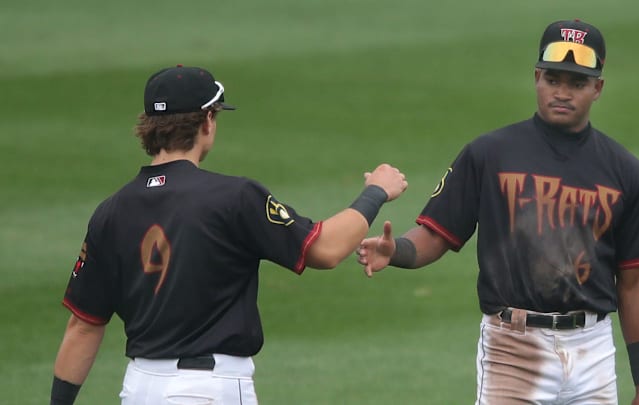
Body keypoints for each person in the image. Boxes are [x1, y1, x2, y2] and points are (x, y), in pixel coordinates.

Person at [50, 64, 408, 405]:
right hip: (206, 389)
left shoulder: (111, 212)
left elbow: (83, 327)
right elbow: (326, 249)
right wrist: (375, 192)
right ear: (207, 120)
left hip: (138, 388)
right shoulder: (233, 198)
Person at [357, 19, 639, 405]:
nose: (562, 92)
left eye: (577, 83)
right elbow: (438, 234)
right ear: (536, 77)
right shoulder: (490, 154)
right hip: (513, 349)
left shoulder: (625, 172)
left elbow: (634, 281)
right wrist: (394, 251)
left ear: (597, 88)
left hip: (592, 350)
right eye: (553, 79)